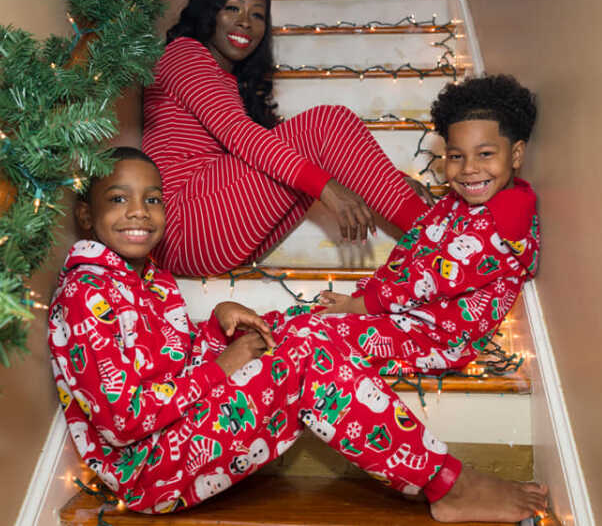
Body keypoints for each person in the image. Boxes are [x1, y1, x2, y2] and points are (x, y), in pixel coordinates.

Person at [47, 147, 548, 521]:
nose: (139, 212)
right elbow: (122, 420)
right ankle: (445, 483)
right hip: (146, 469)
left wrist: (218, 320)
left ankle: (380, 394)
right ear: (86, 215)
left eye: (152, 199)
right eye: (119, 199)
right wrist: (225, 364)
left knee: (303, 325)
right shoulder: (83, 295)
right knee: (307, 352)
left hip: (176, 428)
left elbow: (167, 356)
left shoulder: (145, 276)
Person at [141, 0, 432, 276]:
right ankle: (442, 240)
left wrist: (385, 179)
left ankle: (436, 242)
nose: (245, 23)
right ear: (208, 10)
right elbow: (242, 135)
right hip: (181, 221)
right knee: (327, 123)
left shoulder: (228, 81)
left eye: (257, 15)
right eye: (232, 8)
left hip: (214, 232)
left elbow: (283, 151)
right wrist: (329, 189)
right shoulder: (184, 54)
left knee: (303, 156)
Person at [271, 75, 541, 378]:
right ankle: (243, 341)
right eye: (456, 156)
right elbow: (413, 247)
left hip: (436, 340)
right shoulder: (459, 203)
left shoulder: (500, 226)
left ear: (516, 155)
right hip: (405, 315)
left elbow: (428, 282)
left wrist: (360, 305)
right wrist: (369, 293)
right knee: (295, 322)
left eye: (485, 154)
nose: (468, 169)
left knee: (314, 341)